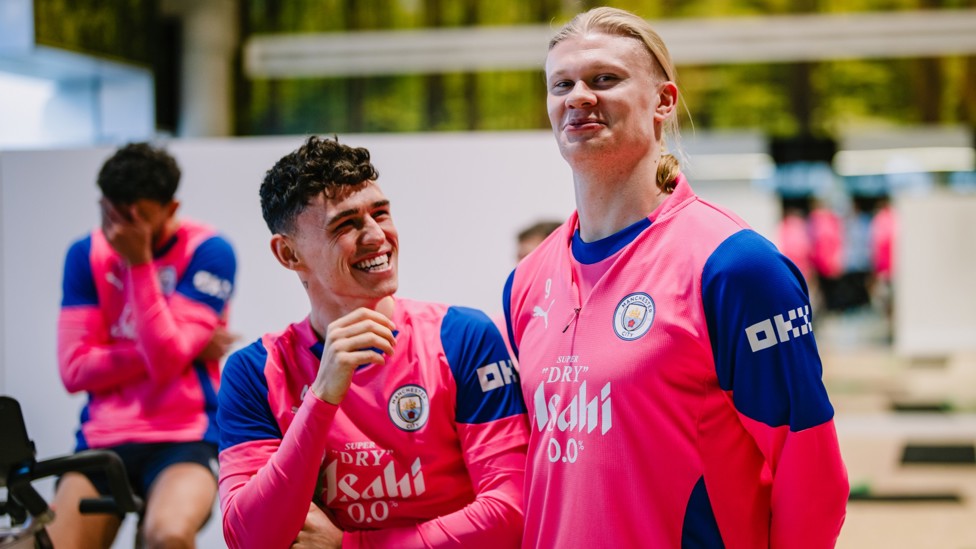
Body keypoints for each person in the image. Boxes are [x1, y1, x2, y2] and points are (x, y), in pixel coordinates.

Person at [502, 7, 849, 548]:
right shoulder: (526, 281)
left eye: (604, 79)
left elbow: (813, 477)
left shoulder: (734, 266)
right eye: (561, 84)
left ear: (664, 101)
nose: (578, 97)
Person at [217, 135, 527, 548]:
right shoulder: (255, 371)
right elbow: (250, 537)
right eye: (346, 224)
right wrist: (321, 399)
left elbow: (513, 509)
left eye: (380, 214)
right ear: (289, 254)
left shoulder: (462, 336)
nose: (377, 236)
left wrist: (353, 546)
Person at [52, 142, 238, 548]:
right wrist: (185, 346)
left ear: (171, 209)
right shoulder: (85, 254)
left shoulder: (208, 250)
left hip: (186, 437)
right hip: (103, 438)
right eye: (113, 214)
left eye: (138, 217)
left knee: (167, 536)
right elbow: (74, 369)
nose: (122, 229)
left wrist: (138, 263)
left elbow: (166, 361)